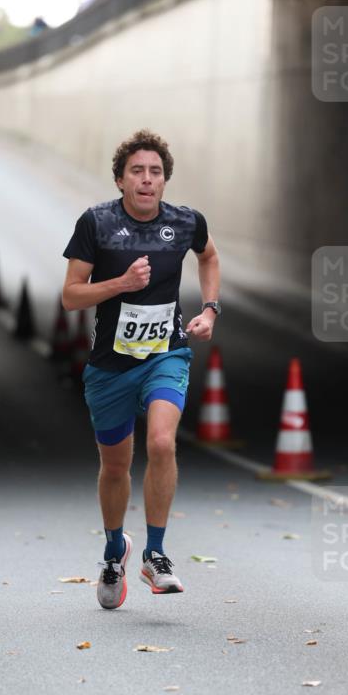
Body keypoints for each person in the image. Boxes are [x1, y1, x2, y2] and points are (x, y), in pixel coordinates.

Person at [62, 129, 221, 609]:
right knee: (115, 466)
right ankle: (115, 550)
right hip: (110, 367)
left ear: (164, 182)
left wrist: (210, 308)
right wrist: (121, 283)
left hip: (165, 355)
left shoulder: (186, 222)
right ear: (120, 179)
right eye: (137, 171)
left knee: (160, 442)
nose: (147, 180)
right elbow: (71, 295)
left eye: (155, 172)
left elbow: (209, 257)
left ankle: (155, 552)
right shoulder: (97, 224)